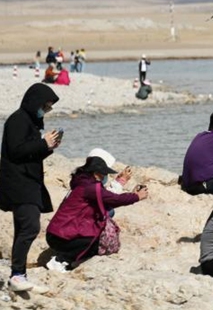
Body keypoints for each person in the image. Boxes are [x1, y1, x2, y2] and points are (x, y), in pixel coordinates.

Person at [0, 83, 61, 292]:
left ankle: (18, 275)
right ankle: (17, 275)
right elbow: (16, 151)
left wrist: (47, 147)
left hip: (27, 182)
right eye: (46, 105)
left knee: (23, 228)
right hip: (19, 183)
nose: (46, 110)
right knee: (30, 227)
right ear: (35, 101)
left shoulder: (31, 122)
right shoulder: (18, 120)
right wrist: (42, 144)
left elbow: (29, 153)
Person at [45, 156, 148, 271]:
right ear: (95, 173)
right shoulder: (90, 187)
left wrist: (123, 184)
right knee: (95, 241)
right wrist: (136, 196)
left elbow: (107, 198)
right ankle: (61, 260)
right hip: (61, 236)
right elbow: (113, 199)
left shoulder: (81, 182)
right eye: (103, 173)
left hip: (55, 233)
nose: (104, 176)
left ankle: (66, 258)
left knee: (95, 231)